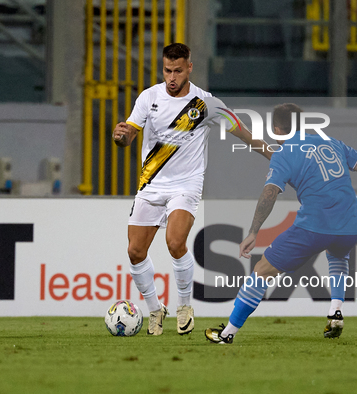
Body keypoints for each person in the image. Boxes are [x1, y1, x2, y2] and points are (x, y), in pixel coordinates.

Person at [112, 43, 271, 336]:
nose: (171, 77)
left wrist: (275, 156)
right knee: (135, 251)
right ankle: (155, 310)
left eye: (177, 71)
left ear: (189, 68)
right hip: (151, 183)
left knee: (175, 242)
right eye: (167, 71)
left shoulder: (206, 104)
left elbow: (244, 133)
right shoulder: (149, 97)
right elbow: (130, 135)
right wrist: (120, 137)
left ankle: (184, 306)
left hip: (186, 184)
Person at [205, 103, 357, 343]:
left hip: (314, 226)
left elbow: (269, 193)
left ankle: (227, 334)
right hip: (351, 225)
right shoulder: (332, 142)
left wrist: (253, 231)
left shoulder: (284, 154)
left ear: (277, 129)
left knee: (261, 271)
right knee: (338, 255)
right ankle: (336, 310)